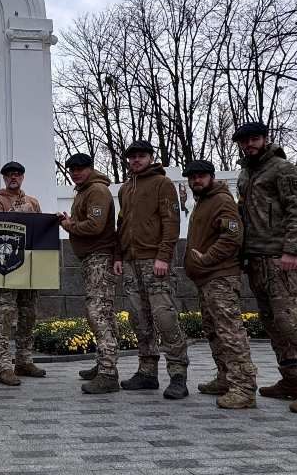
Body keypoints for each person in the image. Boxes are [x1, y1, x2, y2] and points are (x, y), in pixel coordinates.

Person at [234, 122, 297, 413]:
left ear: (265, 139)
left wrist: (291, 250)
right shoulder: (246, 172)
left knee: (292, 323)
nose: (249, 144)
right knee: (273, 324)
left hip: (280, 259)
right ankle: (292, 379)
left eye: (254, 139)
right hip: (257, 259)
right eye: (244, 141)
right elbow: (244, 217)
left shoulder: (282, 169)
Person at [117, 140, 189, 400]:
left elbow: (171, 222)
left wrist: (164, 256)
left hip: (154, 261)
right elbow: (122, 223)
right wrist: (119, 255)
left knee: (165, 317)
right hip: (130, 262)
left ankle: (178, 374)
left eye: (141, 156)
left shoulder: (163, 184)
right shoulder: (126, 188)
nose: (136, 160)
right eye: (132, 157)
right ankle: (147, 372)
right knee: (139, 318)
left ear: (150, 157)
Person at [182, 160, 257, 409]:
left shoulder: (222, 201)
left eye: (201, 176)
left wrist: (207, 258)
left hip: (220, 277)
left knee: (230, 332)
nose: (196, 181)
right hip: (206, 279)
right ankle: (226, 378)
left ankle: (244, 388)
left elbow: (233, 236)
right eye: (192, 178)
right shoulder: (204, 201)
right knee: (214, 330)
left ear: (211, 177)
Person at [59, 153, 121, 394]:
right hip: (92, 258)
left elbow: (95, 226)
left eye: (80, 168)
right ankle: (103, 364)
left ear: (90, 168)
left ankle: (108, 373)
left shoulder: (96, 190)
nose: (76, 172)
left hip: (99, 258)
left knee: (98, 313)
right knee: (103, 311)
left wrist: (69, 225)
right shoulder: (84, 190)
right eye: (72, 169)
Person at [0, 161, 46, 386]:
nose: (14, 177)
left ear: (22, 177)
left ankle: (24, 360)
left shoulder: (33, 202)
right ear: (4, 178)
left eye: (18, 174)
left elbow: (41, 229)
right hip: (7, 267)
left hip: (29, 268)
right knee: (4, 314)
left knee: (28, 314)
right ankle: (3, 365)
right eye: (10, 174)